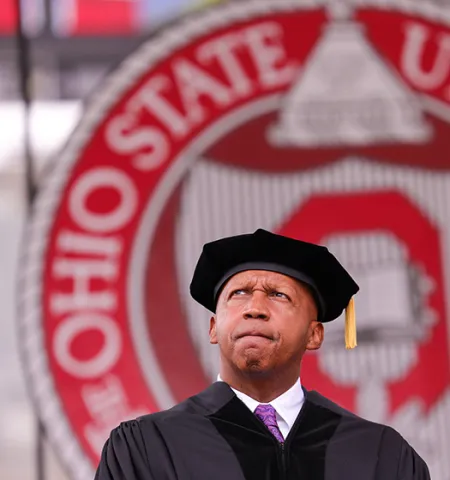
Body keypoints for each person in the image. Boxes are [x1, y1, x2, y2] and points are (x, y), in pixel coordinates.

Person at [95, 228, 430, 479]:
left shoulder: (379, 455)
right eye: (238, 293)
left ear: (314, 335)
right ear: (214, 328)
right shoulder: (147, 449)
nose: (255, 308)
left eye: (278, 295)